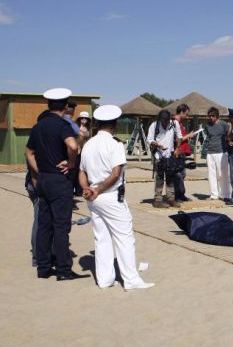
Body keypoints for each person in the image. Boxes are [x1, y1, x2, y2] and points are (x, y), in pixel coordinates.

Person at [79, 105, 155, 291]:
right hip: (110, 195)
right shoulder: (115, 144)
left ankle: (105, 279)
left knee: (101, 237)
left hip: (94, 197)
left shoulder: (88, 144)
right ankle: (131, 279)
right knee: (124, 238)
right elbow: (115, 174)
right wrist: (97, 190)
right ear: (114, 124)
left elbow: (81, 171)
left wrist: (87, 189)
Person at [25, 88, 88, 280]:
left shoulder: (39, 126)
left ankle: (43, 268)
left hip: (43, 178)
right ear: (66, 105)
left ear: (48, 104)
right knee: (61, 226)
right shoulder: (62, 125)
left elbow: (28, 152)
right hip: (59, 180)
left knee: (44, 224)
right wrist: (70, 163)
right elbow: (73, 145)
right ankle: (63, 270)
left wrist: (38, 171)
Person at [147, 109, 183, 208]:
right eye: (163, 121)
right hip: (159, 155)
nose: (165, 122)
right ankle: (157, 200)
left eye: (166, 120)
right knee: (159, 177)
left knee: (171, 177)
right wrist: (157, 145)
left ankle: (171, 199)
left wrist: (177, 148)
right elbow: (149, 139)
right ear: (160, 119)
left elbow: (179, 137)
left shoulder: (174, 123)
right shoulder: (154, 125)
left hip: (170, 154)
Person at [204, 107, 231, 201]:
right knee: (211, 174)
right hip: (210, 151)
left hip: (221, 151)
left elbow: (229, 133)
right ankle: (214, 195)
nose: (211, 117)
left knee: (222, 174)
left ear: (217, 116)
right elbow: (208, 136)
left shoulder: (223, 124)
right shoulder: (207, 125)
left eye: (213, 116)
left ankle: (225, 195)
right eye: (209, 116)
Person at [172, 104, 193, 202]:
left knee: (182, 174)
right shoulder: (174, 122)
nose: (187, 116)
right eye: (186, 114)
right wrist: (188, 135)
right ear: (182, 112)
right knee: (178, 174)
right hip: (177, 151)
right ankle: (177, 195)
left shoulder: (179, 123)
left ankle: (181, 194)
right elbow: (177, 139)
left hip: (182, 151)